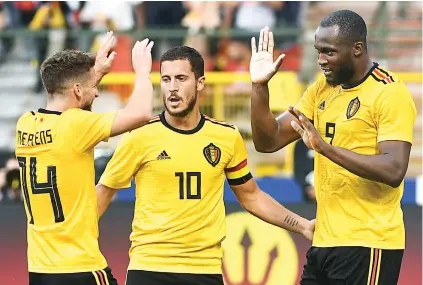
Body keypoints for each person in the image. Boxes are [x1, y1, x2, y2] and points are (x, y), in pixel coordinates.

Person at [96, 45, 316, 285]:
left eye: (181, 78)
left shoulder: (226, 137)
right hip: (149, 268)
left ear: (200, 83)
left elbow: (251, 196)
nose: (172, 88)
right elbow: (103, 194)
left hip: (204, 270)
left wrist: (303, 226)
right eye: (166, 79)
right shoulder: (139, 137)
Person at [249, 10, 416, 285]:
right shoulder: (321, 90)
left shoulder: (389, 93)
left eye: (329, 52)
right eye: (318, 51)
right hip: (323, 240)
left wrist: (325, 148)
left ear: (357, 49)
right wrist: (259, 86)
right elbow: (268, 141)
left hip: (369, 243)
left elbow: (394, 168)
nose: (321, 60)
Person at [15, 31, 155, 285]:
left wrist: (95, 74)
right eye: (93, 87)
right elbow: (141, 113)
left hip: (40, 268)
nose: (97, 93)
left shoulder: (25, 124)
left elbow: (76, 102)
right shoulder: (76, 124)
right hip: (80, 267)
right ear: (77, 90)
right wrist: (143, 72)